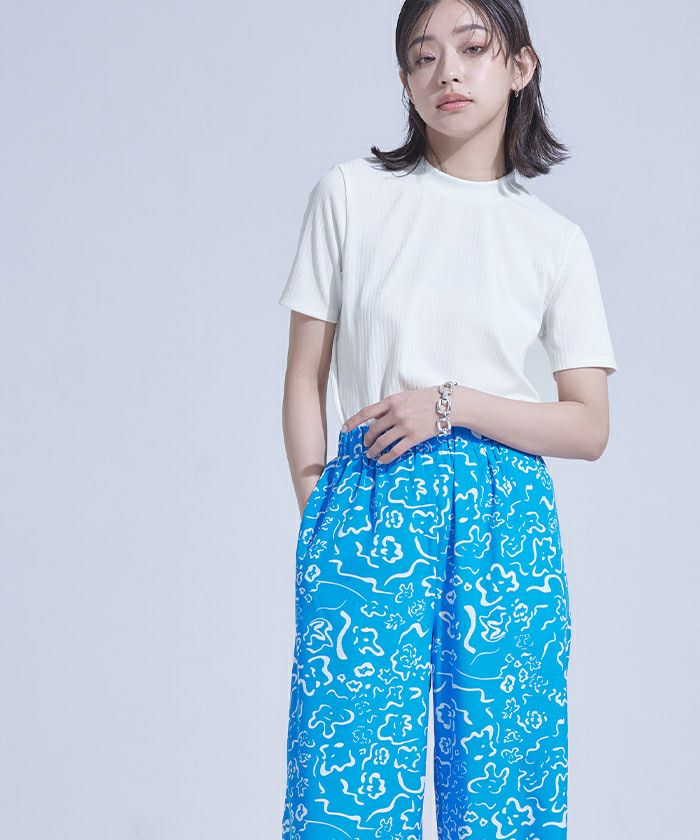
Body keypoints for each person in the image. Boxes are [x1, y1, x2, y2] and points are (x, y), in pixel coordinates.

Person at [277, 1, 618, 837]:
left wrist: (452, 405)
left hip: (507, 518)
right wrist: (318, 511)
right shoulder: (351, 195)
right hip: (371, 501)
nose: (448, 72)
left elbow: (589, 427)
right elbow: (303, 377)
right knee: (344, 792)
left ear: (520, 66)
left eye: (472, 48)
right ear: (404, 79)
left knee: (508, 793)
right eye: (423, 57)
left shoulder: (553, 241)